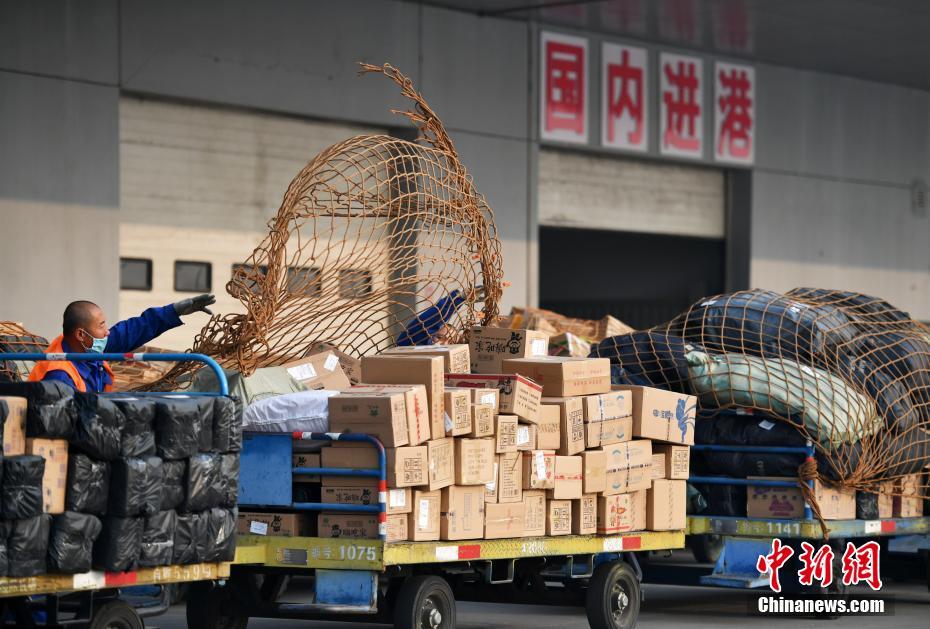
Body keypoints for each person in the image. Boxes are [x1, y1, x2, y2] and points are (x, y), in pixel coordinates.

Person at [28, 294, 216, 393]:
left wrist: (173, 311)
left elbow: (130, 331)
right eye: (101, 326)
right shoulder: (60, 376)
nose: (107, 331)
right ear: (80, 334)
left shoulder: (86, 349)